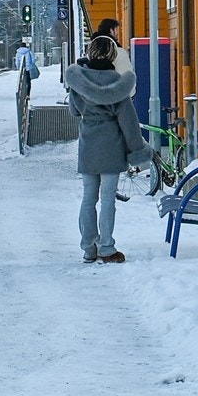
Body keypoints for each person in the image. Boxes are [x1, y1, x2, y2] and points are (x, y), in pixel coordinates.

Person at [66, 25, 150, 264]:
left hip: (88, 142)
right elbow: (129, 123)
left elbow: (74, 110)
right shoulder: (119, 84)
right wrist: (138, 151)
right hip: (111, 144)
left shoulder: (78, 81)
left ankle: (88, 248)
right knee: (108, 198)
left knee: (88, 197)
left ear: (90, 53)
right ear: (113, 55)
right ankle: (106, 247)